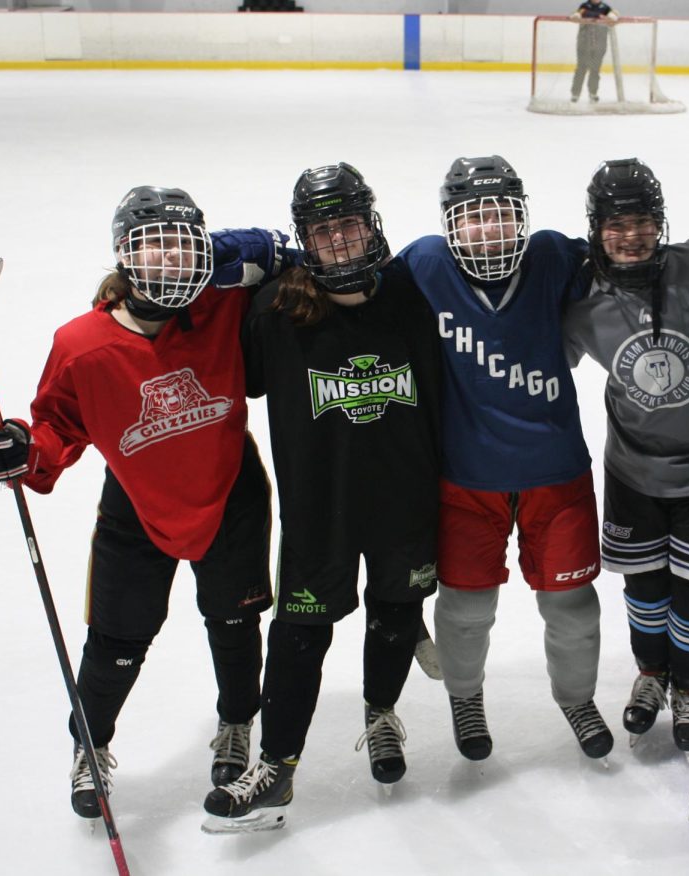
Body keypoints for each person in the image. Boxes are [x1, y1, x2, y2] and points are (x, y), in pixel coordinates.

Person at [0, 187, 285, 820]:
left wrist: (252, 251)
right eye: (153, 246)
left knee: (234, 623)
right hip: (138, 506)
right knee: (117, 639)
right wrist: (20, 448)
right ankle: (92, 744)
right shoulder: (82, 344)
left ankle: (235, 724)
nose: (171, 260)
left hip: (231, 493)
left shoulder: (224, 304)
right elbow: (57, 429)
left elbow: (286, 256)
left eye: (183, 244)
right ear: (125, 257)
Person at [201, 164, 442, 833]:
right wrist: (253, 252)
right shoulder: (277, 308)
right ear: (303, 238)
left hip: (405, 503)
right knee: (300, 635)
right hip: (319, 513)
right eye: (322, 229)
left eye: (349, 224)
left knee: (396, 614)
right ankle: (277, 767)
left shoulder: (411, 294)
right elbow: (198, 295)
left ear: (373, 224)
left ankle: (380, 711)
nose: (338, 241)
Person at [399, 155, 611, 764]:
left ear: (521, 217)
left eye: (499, 215)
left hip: (557, 475)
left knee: (572, 609)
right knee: (465, 611)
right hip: (468, 480)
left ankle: (576, 698)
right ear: (450, 224)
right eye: (473, 218)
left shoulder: (550, 258)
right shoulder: (424, 265)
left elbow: (628, 257)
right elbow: (345, 286)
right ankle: (466, 698)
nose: (488, 229)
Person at [562, 159, 689, 755]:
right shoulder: (582, 298)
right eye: (616, 224)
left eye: (644, 222)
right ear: (596, 227)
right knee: (645, 587)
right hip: (632, 471)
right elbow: (536, 359)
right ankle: (652, 675)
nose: (631, 236)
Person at [569, 1, 619, 103]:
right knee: (581, 68)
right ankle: (575, 94)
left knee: (595, 70)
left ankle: (593, 93)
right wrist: (576, 16)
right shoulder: (585, 6)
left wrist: (612, 17)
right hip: (584, 43)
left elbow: (614, 16)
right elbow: (576, 15)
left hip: (599, 45)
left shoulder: (605, 7)